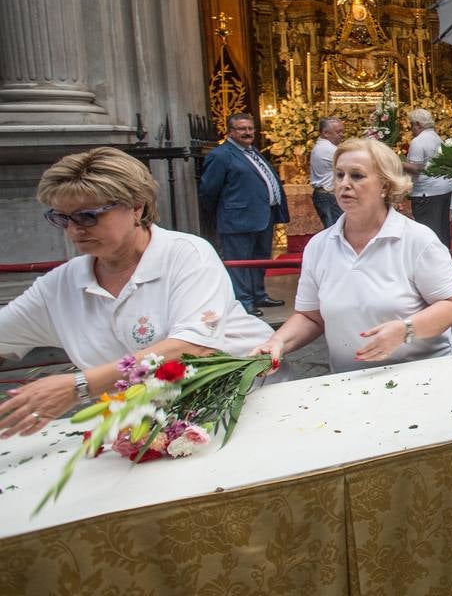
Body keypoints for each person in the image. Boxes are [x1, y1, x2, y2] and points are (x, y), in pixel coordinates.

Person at [0, 148, 273, 436]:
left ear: (137, 207)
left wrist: (80, 386)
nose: (73, 230)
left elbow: (192, 347)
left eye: (88, 217)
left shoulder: (186, 254)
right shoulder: (60, 286)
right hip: (152, 428)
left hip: (246, 408)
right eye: (62, 218)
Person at [252, 138, 452, 375]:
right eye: (339, 175)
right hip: (349, 381)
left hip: (421, 376)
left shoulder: (417, 240)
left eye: (357, 176)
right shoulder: (319, 246)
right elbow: (311, 317)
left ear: (385, 185)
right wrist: (278, 342)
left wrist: (406, 329)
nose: (344, 184)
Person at [198, 113, 289, 316]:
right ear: (230, 131)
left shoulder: (252, 152)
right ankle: (243, 300)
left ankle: (259, 295)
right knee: (240, 262)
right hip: (237, 219)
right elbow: (209, 190)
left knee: (260, 259)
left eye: (250, 128)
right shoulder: (221, 155)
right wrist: (223, 212)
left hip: (262, 217)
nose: (247, 133)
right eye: (242, 129)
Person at [402, 108, 452, 248]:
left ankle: (432, 261)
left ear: (418, 124)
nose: (411, 128)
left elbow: (416, 168)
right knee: (442, 230)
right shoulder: (436, 138)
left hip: (426, 193)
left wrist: (396, 163)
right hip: (443, 189)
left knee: (427, 231)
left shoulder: (418, 141)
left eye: (412, 125)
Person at [309, 116, 345, 229]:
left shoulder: (326, 147)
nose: (342, 135)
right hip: (328, 196)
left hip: (327, 195)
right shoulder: (328, 149)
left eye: (342, 131)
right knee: (336, 230)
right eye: (338, 132)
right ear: (325, 133)